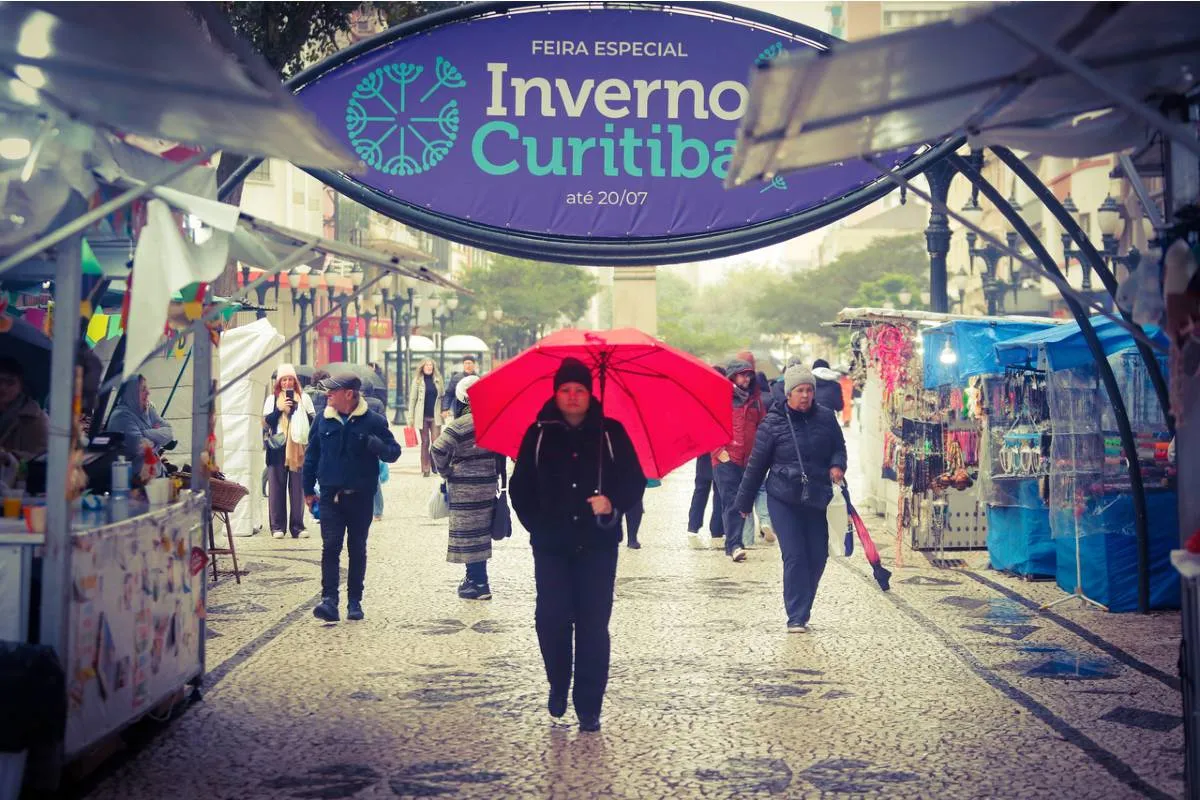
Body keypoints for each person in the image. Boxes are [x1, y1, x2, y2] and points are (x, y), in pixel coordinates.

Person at [510, 358, 645, 733]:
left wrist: (612, 503)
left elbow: (634, 481)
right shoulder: (536, 434)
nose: (573, 397)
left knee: (592, 625)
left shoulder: (610, 433)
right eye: (566, 390)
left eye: (580, 390)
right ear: (556, 393)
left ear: (590, 394)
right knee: (551, 619)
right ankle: (558, 681)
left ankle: (589, 705)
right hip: (551, 545)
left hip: (597, 545)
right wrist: (538, 525)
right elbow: (519, 488)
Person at [734, 365, 847, 633]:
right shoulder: (772, 423)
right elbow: (756, 466)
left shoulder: (826, 417)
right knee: (795, 555)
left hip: (817, 496)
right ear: (788, 394)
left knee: (818, 555)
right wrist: (743, 503)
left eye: (809, 390)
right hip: (783, 497)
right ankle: (796, 615)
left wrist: (837, 465)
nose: (805, 396)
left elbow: (838, 448)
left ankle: (804, 606)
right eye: (800, 391)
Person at [303, 372, 401, 623]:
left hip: (361, 497)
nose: (328, 395)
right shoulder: (322, 421)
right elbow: (311, 456)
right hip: (329, 496)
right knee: (331, 547)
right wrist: (306, 491)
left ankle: (354, 601)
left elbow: (394, 452)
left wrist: (377, 446)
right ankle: (329, 601)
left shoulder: (374, 421)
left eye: (332, 391)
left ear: (349, 394)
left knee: (357, 549)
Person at [430, 374, 501, 600]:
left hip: (463, 487)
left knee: (469, 535)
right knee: (480, 533)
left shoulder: (460, 425)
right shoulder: (492, 421)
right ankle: (477, 580)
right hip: (487, 484)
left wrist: (446, 471)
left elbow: (437, 450)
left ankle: (478, 582)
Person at [711, 358, 766, 563]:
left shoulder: (755, 401)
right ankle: (735, 544)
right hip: (725, 460)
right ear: (733, 376)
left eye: (749, 375)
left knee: (742, 502)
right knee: (731, 501)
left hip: (748, 461)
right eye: (743, 374)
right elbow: (710, 427)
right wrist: (719, 452)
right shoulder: (721, 399)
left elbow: (763, 428)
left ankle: (733, 544)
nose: (747, 378)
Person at [263, 364, 316, 539]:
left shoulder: (304, 398)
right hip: (277, 447)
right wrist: (280, 410)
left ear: (295, 381)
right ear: (279, 382)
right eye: (283, 379)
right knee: (276, 489)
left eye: (290, 379)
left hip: (298, 448)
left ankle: (297, 527)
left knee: (298, 489)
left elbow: (312, 421)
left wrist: (297, 411)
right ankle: (277, 527)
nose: (287, 383)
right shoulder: (272, 399)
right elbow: (266, 423)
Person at [107, 374, 175, 479]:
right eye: (143, 389)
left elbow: (169, 433)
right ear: (131, 393)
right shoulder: (121, 416)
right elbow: (138, 447)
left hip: (156, 475)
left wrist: (144, 432)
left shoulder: (148, 410)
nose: (148, 392)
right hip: (135, 482)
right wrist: (158, 439)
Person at [0, 357, 49, 460]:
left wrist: (9, 456)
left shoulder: (36, 419)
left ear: (21, 386)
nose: (2, 387)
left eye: (10, 382)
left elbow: (42, 459)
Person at [408, 359, 443, 477]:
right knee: (425, 442)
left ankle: (435, 463)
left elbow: (442, 397)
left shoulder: (438, 380)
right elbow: (412, 400)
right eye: (427, 365)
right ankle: (426, 468)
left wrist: (444, 411)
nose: (429, 367)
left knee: (436, 442)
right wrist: (410, 418)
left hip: (435, 416)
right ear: (422, 367)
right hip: (421, 416)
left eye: (431, 365)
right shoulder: (417, 381)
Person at [442, 354, 478, 422]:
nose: (468, 365)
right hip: (459, 410)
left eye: (469, 363)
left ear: (474, 364)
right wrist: (445, 408)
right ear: (463, 365)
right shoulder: (456, 378)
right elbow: (449, 394)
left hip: (475, 411)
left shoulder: (478, 378)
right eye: (466, 363)